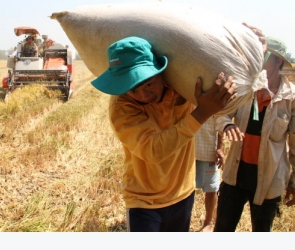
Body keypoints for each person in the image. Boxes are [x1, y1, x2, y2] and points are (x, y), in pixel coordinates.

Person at [91, 36, 237, 232]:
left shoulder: (181, 88)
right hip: (143, 201)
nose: (143, 95)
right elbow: (152, 150)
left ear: (161, 72)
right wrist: (202, 113)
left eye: (148, 84)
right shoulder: (122, 106)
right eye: (133, 89)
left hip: (183, 193)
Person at [214, 36, 295, 232]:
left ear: (278, 62)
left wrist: (294, 181)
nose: (258, 62)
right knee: (223, 229)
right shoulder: (245, 88)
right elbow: (220, 113)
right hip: (235, 175)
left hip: (269, 180)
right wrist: (226, 126)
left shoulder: (290, 98)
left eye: (265, 56)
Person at [195, 116, 224, 232]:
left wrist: (220, 148)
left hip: (209, 152)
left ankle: (208, 222)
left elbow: (221, 123)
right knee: (186, 189)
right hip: (188, 151)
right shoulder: (188, 99)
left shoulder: (214, 98)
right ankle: (184, 218)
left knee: (211, 188)